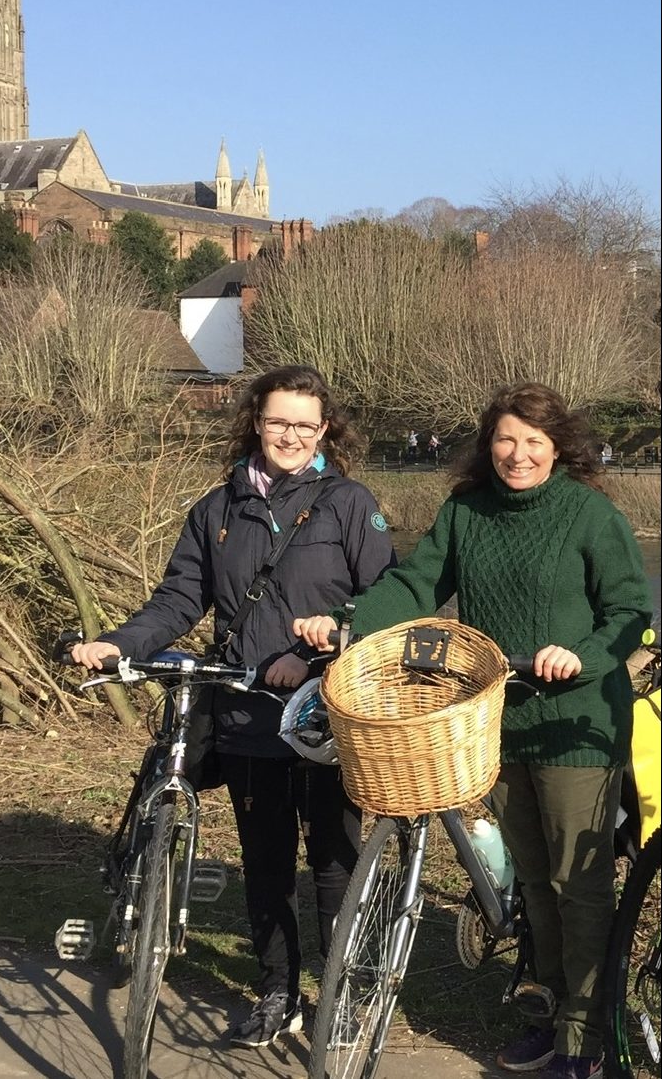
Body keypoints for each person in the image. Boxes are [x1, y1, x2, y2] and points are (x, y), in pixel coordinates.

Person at [294, 382, 652, 1079]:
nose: (516, 455)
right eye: (504, 440)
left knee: (576, 883)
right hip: (493, 716)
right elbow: (417, 585)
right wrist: (352, 621)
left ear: (558, 449)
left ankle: (586, 1036)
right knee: (531, 881)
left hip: (574, 723)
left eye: (532, 443)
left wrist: (582, 655)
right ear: (486, 445)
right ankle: (546, 1010)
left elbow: (629, 611)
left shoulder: (587, 515)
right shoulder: (465, 511)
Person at [71, 365, 396, 1049]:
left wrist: (312, 654)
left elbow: (384, 602)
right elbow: (178, 599)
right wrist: (117, 644)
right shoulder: (217, 509)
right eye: (279, 421)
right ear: (256, 420)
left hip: (321, 712)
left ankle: (338, 993)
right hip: (245, 711)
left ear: (324, 431)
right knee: (265, 861)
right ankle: (278, 989)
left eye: (305, 425)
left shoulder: (347, 503)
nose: (290, 435)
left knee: (332, 858)